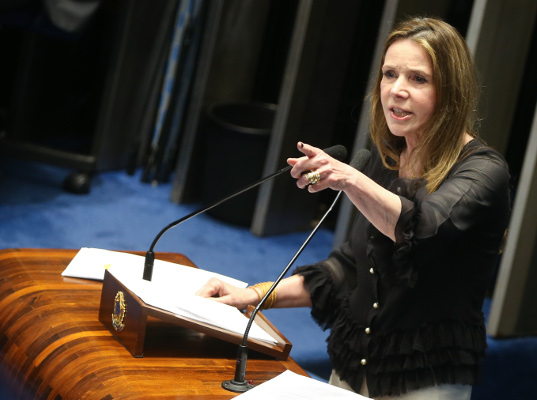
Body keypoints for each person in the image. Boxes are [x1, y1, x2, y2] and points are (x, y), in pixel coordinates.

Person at [196, 16, 511, 400]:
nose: (396, 90)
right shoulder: (387, 160)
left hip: (424, 378)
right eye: (389, 74)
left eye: (418, 79)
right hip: (352, 366)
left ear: (451, 91)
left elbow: (422, 230)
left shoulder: (483, 171)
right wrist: (254, 294)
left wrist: (349, 178)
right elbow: (348, 268)